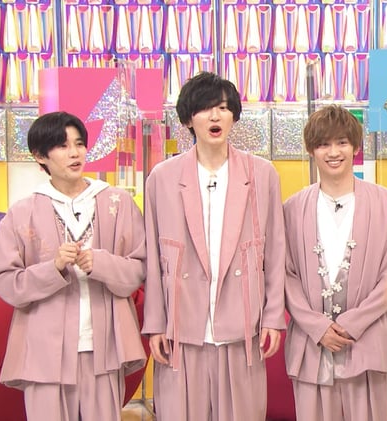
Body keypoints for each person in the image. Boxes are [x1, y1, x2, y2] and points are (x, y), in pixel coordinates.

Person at [143, 71, 286, 420]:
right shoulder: (162, 177)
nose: (215, 116)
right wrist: (156, 323)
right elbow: (153, 258)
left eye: (223, 108)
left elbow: (275, 253)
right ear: (188, 118)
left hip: (242, 326)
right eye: (206, 108)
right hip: (182, 326)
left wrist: (273, 316)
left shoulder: (262, 174)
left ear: (234, 115)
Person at [0, 111, 146, 420]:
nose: (75, 153)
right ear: (40, 156)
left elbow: (140, 269)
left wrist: (101, 263)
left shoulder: (118, 203)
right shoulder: (22, 212)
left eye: (79, 144)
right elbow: (7, 282)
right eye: (62, 146)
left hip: (104, 348)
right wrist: (54, 268)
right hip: (44, 351)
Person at [283, 105, 387, 421]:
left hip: (370, 341)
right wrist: (318, 327)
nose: (333, 152)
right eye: (323, 144)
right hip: (312, 346)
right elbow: (286, 276)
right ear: (311, 150)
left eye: (342, 142)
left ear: (355, 147)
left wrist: (353, 324)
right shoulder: (292, 209)